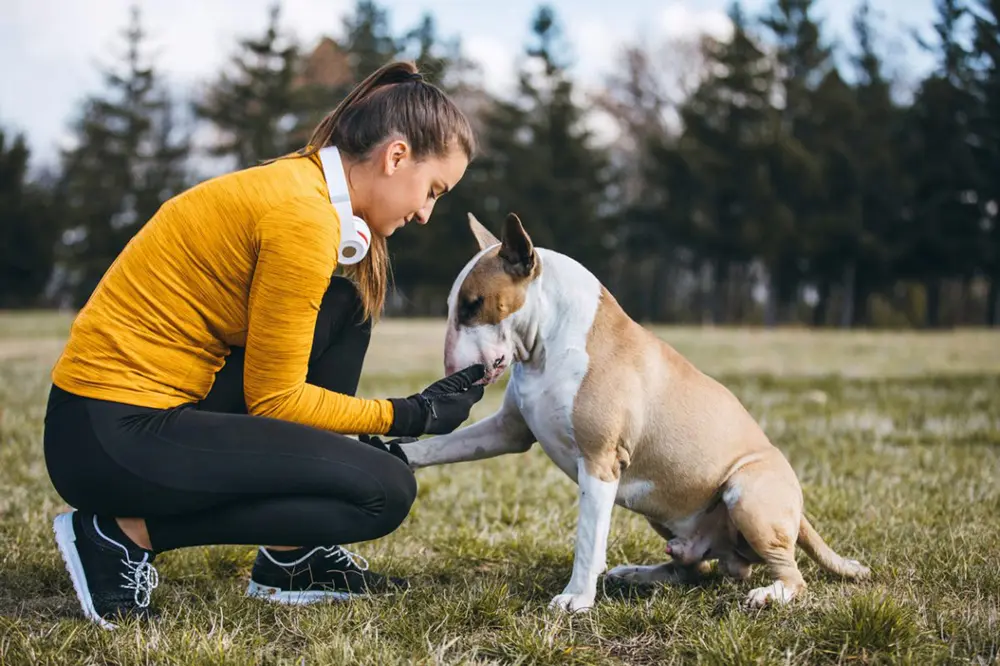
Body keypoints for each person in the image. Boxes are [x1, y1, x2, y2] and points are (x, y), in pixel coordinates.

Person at [42, 60, 487, 628]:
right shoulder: (302, 218)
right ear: (395, 157)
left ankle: (292, 555)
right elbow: (278, 402)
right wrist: (410, 414)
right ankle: (117, 535)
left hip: (122, 416)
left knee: (346, 309)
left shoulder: (300, 186)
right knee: (383, 490)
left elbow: (276, 390)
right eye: (433, 190)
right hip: (107, 436)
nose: (426, 213)